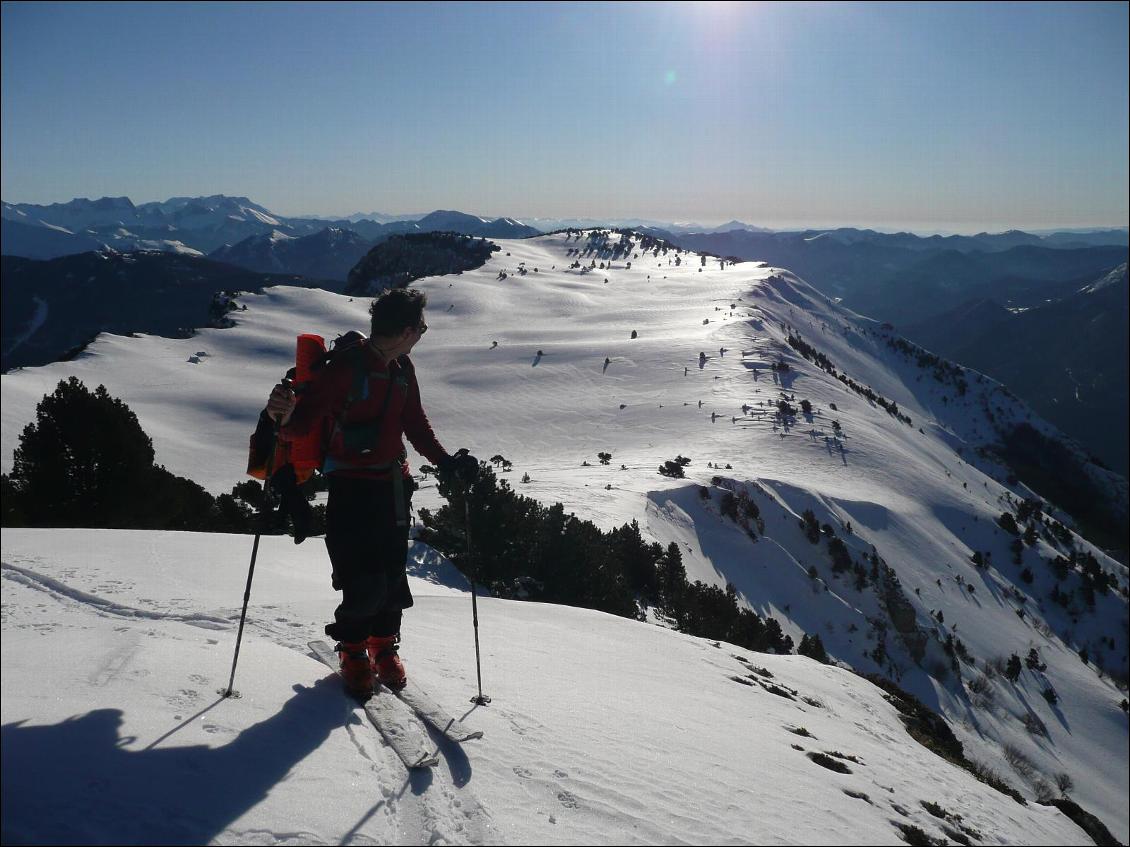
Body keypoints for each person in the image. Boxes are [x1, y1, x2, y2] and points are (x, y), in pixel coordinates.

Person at [265, 287, 478, 696]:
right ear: (405, 330)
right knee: (362, 577)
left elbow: (414, 425)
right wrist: (283, 416)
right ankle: (353, 648)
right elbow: (301, 427)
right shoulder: (345, 368)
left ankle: (382, 645)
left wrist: (447, 462)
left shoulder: (402, 368)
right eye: (421, 328)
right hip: (350, 488)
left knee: (393, 575)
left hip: (393, 485)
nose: (422, 335)